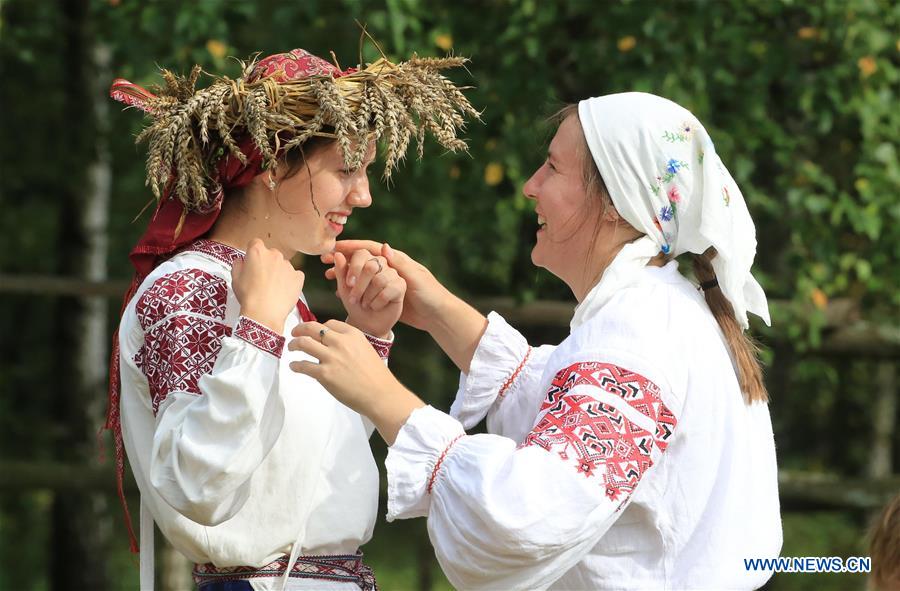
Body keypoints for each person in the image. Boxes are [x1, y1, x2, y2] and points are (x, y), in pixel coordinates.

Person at [289, 92, 783, 590]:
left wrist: (383, 396)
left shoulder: (638, 333)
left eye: (552, 168)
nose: (530, 186)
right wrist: (438, 308)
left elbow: (526, 517)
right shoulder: (665, 306)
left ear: (615, 202)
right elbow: (563, 405)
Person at [105, 47, 478, 590]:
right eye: (346, 169)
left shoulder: (272, 291)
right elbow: (197, 483)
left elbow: (308, 461)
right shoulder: (187, 288)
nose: (364, 195)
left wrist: (369, 334)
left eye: (366, 171)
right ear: (273, 164)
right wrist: (256, 324)